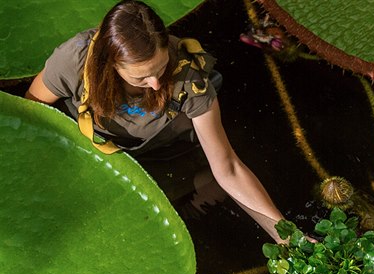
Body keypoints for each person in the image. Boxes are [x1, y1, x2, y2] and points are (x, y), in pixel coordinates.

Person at [25, 0, 288, 244]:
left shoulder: (188, 76)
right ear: (110, 64)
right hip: (91, 147)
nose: (155, 84)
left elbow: (228, 167)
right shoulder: (73, 60)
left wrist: (286, 237)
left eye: (161, 68)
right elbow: (31, 113)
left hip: (163, 146)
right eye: (140, 78)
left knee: (216, 183)